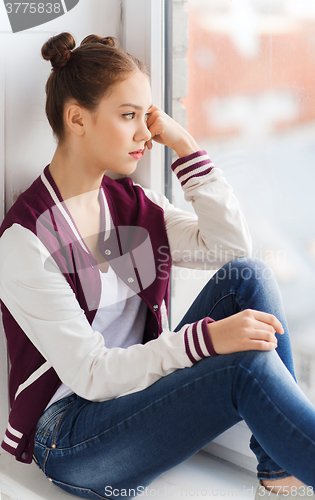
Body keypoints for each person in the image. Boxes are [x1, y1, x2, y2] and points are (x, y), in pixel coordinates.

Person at [0, 32, 314, 500]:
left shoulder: (133, 204)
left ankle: (280, 474)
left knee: (249, 276)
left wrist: (184, 144)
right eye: (129, 116)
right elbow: (91, 373)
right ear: (77, 119)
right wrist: (206, 341)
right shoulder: (26, 240)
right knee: (242, 366)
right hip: (71, 438)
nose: (146, 135)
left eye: (147, 118)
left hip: (138, 401)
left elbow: (230, 247)